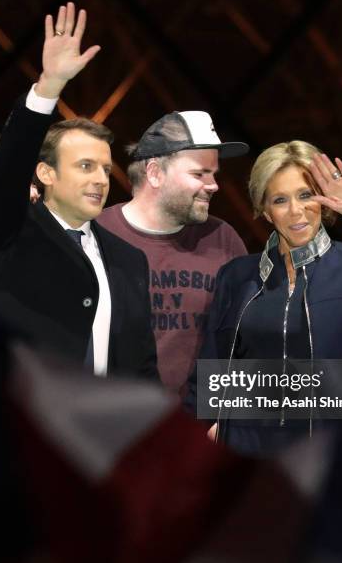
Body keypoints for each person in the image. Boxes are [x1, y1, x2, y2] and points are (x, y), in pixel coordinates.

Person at [0, 3, 157, 381]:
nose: (101, 180)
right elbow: (4, 176)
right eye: (85, 166)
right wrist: (49, 87)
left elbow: (141, 366)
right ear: (46, 173)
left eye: (106, 169)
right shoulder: (10, 231)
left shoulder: (129, 259)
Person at [184, 140, 342, 455]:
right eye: (280, 200)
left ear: (324, 200)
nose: (296, 211)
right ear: (265, 210)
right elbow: (209, 377)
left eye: (305, 195)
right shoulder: (236, 276)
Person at [97, 111, 248, 394]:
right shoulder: (96, 235)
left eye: (213, 174)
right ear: (155, 173)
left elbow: (244, 340)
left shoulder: (223, 239)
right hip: (114, 424)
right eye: (199, 173)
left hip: (198, 428)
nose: (213, 185)